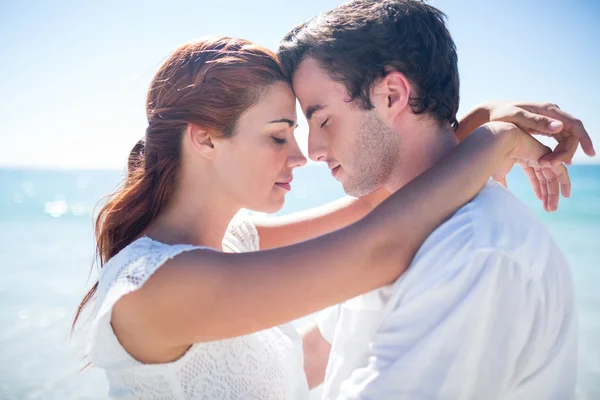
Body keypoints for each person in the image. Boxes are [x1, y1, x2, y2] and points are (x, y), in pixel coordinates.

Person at [72, 36, 578, 399]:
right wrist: (496, 141)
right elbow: (379, 247)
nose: (301, 155)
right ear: (204, 138)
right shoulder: (156, 288)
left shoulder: (236, 242)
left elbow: (377, 203)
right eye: (278, 135)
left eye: (302, 129)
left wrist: (477, 118)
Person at [276, 1, 595, 399]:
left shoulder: (476, 250)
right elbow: (318, 354)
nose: (313, 150)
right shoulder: (406, 226)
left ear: (392, 96)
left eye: (322, 120)